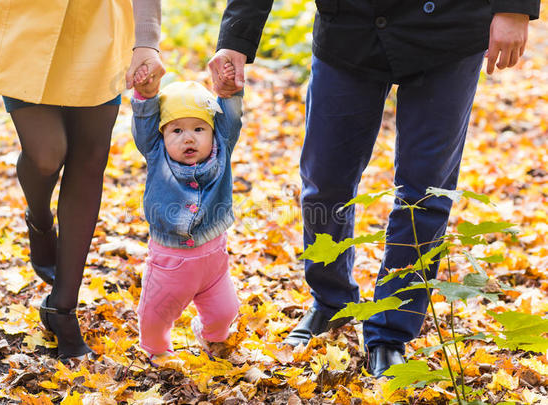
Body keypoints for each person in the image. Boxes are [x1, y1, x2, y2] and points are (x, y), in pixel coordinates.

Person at [208, 0, 540, 377]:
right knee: (325, 183)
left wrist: (515, 6)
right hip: (348, 26)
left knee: (425, 193)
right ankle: (331, 301)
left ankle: (390, 332)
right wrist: (236, 36)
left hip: (451, 25)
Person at [0, 0, 165, 360]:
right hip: (23, 20)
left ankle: (62, 309)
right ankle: (39, 219)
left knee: (90, 159)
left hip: (98, 26)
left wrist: (146, 40)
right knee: (47, 154)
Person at [130, 69, 243, 364]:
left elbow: (229, 120)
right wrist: (145, 95)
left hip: (214, 263)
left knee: (225, 312)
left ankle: (210, 336)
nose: (188, 138)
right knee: (154, 317)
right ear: (163, 135)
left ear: (212, 131)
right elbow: (144, 127)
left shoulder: (222, 152)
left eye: (198, 129)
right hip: (170, 262)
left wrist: (228, 91)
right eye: (176, 131)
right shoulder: (157, 156)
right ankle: (157, 352)